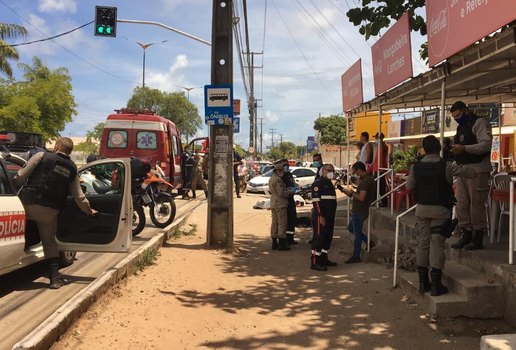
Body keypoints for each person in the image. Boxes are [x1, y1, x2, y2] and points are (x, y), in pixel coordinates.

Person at [13, 137, 97, 289]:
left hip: (27, 204)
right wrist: (89, 210)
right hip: (50, 210)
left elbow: (20, 177)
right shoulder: (72, 168)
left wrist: (12, 189)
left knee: (14, 232)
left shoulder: (41, 156)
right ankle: (55, 279)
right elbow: (79, 196)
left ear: (57, 146)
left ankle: (11, 261)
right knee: (49, 241)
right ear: (69, 151)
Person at [406, 135, 476, 296]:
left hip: (422, 210)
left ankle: (423, 283)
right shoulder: (447, 165)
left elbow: (410, 186)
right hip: (440, 211)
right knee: (437, 244)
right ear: (439, 148)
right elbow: (471, 173)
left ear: (424, 149)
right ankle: (436, 284)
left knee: (422, 244)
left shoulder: (415, 167)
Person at [449, 101, 492, 251]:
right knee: (461, 203)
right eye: (454, 117)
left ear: (466, 111)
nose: (457, 119)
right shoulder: (461, 127)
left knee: (476, 204)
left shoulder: (479, 123)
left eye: (459, 115)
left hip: (478, 169)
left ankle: (477, 236)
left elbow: (486, 145)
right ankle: (466, 233)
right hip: (462, 169)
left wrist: (465, 148)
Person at [340, 161, 376, 264]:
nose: (355, 174)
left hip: (360, 210)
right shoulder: (367, 179)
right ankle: (368, 242)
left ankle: (356, 255)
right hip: (360, 209)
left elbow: (361, 197)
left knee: (357, 234)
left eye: (355, 172)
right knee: (351, 228)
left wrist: (351, 194)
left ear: (360, 170)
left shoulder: (365, 181)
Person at [310, 163, 338, 271]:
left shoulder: (329, 183)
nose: (331, 172)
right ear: (323, 171)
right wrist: (321, 215)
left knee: (327, 238)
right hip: (320, 217)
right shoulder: (318, 183)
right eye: (329, 170)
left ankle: (323, 258)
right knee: (319, 238)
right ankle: (315, 262)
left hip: (330, 216)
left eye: (332, 170)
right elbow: (316, 201)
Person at [268, 162, 294, 251]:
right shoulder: (278, 180)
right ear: (278, 170)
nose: (283, 172)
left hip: (274, 202)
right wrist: (291, 191)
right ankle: (282, 243)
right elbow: (281, 193)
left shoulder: (271, 178)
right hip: (280, 202)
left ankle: (274, 242)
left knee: (274, 222)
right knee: (282, 223)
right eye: (282, 170)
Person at [281, 158, 298, 245]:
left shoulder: (289, 174)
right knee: (285, 221)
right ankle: (285, 239)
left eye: (287, 164)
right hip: (284, 200)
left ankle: (291, 238)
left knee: (292, 219)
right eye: (284, 165)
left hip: (291, 198)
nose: (286, 166)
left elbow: (293, 183)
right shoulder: (281, 176)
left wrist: (295, 187)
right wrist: (290, 189)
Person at [372, 132, 389, 207]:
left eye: (376, 138)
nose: (375, 139)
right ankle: (380, 201)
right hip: (377, 169)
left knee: (380, 187)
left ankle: (381, 202)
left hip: (380, 169)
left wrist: (380, 140)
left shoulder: (383, 146)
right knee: (378, 187)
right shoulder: (379, 146)